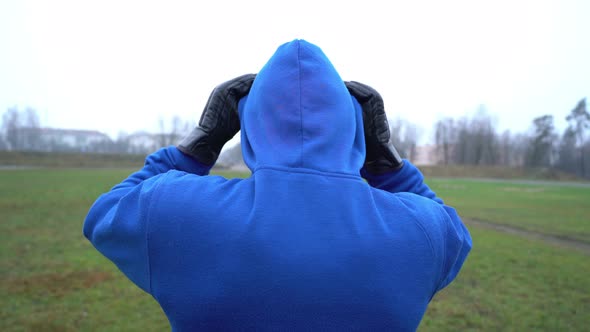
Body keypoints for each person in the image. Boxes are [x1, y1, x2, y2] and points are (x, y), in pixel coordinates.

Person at [84, 39, 472, 331]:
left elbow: (105, 214)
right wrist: (388, 163)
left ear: (250, 124)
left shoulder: (179, 212)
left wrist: (200, 144)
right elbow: (453, 233)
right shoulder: (419, 232)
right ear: (352, 128)